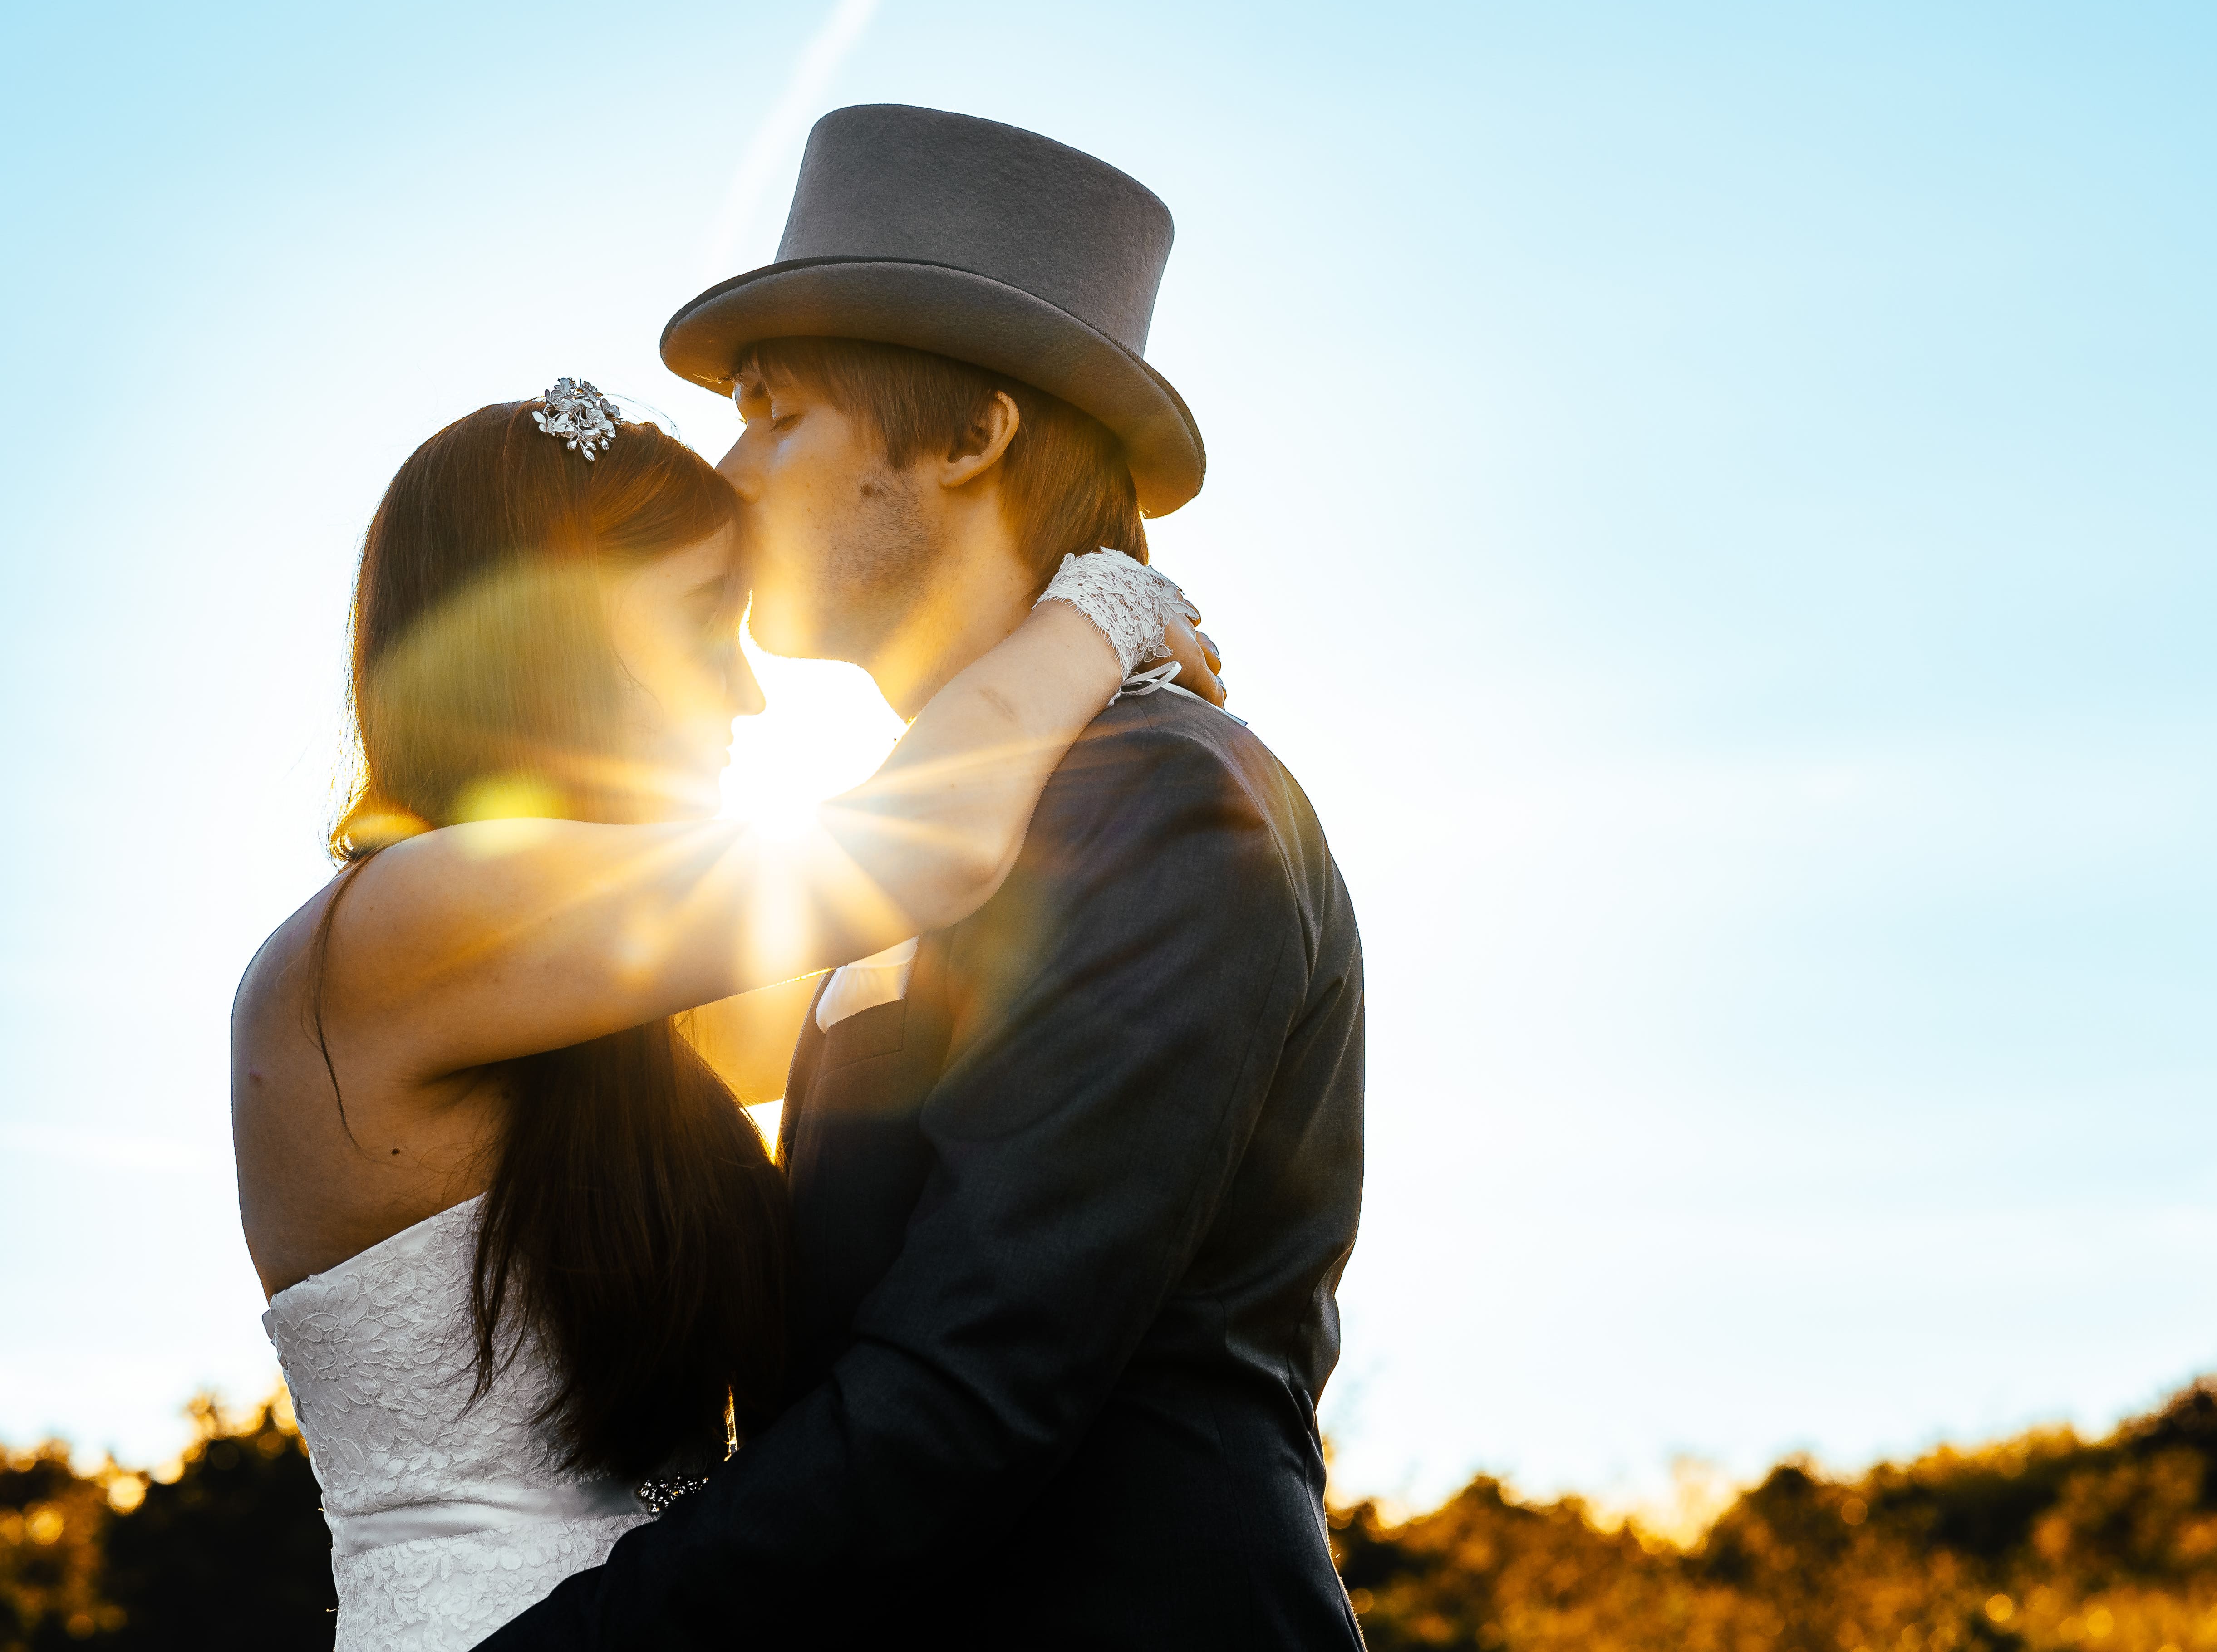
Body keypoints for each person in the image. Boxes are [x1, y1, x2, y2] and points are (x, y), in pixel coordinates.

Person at [482, 104, 1367, 1651]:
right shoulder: (903, 839)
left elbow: (968, 1396)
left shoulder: (1168, 807)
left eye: (773, 414)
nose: (728, 471)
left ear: (968, 438)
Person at [232, 381, 1216, 1652]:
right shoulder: (411, 919)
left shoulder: (603, 998)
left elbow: (916, 981)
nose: (749, 699)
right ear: (550, 634)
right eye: (705, 627)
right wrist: (1101, 608)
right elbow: (920, 860)